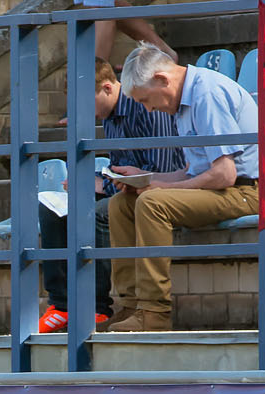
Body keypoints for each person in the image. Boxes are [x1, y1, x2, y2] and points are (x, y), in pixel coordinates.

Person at [104, 44, 257, 334]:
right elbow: (191, 172)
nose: (149, 109)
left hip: (249, 191)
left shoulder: (207, 94)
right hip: (224, 189)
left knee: (152, 203)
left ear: (162, 79)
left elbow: (224, 174)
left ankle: (154, 313)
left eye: (146, 100)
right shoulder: (183, 99)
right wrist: (145, 179)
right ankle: (130, 306)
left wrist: (159, 189)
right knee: (121, 204)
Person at [36, 56, 177, 331]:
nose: (84, 112)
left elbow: (160, 169)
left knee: (100, 213)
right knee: (50, 209)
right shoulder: (109, 114)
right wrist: (95, 180)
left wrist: (103, 184)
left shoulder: (147, 105)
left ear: (108, 88)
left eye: (86, 103)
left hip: (158, 189)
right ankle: (62, 304)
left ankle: (98, 307)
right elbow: (119, 167)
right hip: (125, 188)